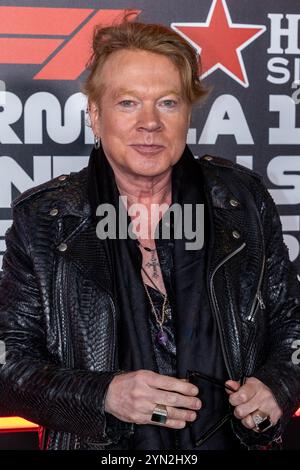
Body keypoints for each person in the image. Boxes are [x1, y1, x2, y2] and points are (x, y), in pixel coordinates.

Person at [0, 19, 300, 451]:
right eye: (127, 103)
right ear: (96, 116)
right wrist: (103, 395)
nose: (149, 123)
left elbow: (293, 327)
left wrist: (278, 385)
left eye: (167, 103)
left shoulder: (243, 200)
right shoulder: (45, 219)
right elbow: (9, 364)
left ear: (187, 115)